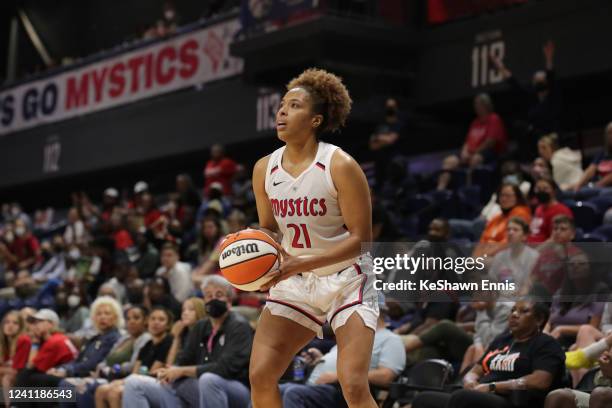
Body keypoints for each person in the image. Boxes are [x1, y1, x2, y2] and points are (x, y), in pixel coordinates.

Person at [249, 68, 379, 408]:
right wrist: (250, 248)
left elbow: (361, 240)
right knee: (260, 376)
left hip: (347, 278)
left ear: (316, 119)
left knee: (351, 383)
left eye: (294, 106)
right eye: (281, 105)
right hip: (296, 280)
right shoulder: (264, 168)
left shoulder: (340, 165)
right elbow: (268, 228)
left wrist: (298, 263)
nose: (281, 112)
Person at [123, 276, 253, 408]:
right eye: (208, 295)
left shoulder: (238, 326)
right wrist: (170, 372)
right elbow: (184, 359)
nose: (213, 299)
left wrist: (182, 371)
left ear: (229, 300)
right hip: (197, 386)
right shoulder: (201, 326)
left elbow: (226, 368)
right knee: (134, 382)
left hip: (235, 388)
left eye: (219, 295)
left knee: (207, 380)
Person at [412, 301, 565, 408]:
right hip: (481, 395)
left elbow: (540, 381)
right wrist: (470, 380)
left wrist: (492, 387)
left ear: (539, 319)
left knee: (464, 398)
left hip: (511, 400)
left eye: (523, 311)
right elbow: (477, 368)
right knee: (424, 399)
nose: (514, 315)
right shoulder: (502, 339)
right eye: (513, 310)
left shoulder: (546, 344)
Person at [280, 294, 406, 407]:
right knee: (276, 388)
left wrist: (337, 377)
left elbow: (386, 376)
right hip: (315, 386)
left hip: (341, 391)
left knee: (293, 393)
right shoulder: (354, 335)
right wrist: (320, 359)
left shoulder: (391, 339)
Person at [491, 40, 562, 141]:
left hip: (553, 137)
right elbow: (513, 83)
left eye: (541, 80)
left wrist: (549, 58)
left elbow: (551, 75)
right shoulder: (531, 97)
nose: (538, 83)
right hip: (537, 140)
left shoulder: (553, 96)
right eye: (536, 81)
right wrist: (500, 67)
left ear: (546, 82)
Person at [437, 93, 507, 190]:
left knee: (475, 159)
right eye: (475, 104)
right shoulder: (475, 122)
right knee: (449, 161)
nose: (476, 107)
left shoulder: (494, 118)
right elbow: (467, 142)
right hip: (470, 153)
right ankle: (440, 190)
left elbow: (490, 141)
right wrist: (464, 152)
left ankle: (468, 189)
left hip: (487, 153)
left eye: (478, 104)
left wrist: (474, 152)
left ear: (486, 105)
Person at [15, 309, 78, 388]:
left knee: (25, 376)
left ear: (51, 324)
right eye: (34, 322)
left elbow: (31, 366)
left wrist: (35, 343)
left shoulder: (54, 341)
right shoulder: (56, 337)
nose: (36, 325)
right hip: (65, 373)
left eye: (40, 321)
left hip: (68, 378)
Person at [473, 184, 531, 258]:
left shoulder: (521, 213)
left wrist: (484, 256)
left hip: (505, 256)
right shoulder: (497, 218)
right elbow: (482, 240)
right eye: (501, 195)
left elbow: (509, 242)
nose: (504, 199)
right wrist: (475, 257)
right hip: (485, 257)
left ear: (517, 198)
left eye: (508, 196)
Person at [488, 217, 539, 292]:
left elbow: (531, 286)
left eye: (515, 230)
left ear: (524, 236)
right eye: (508, 230)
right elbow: (491, 283)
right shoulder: (499, 257)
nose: (510, 233)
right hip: (501, 299)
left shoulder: (534, 257)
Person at [527, 177, 573, 243]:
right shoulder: (539, 208)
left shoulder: (561, 211)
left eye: (545, 188)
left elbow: (558, 239)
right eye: (538, 188)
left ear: (554, 191)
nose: (541, 191)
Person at [0, 311, 31, 407]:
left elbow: (16, 370)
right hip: (8, 373)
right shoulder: (3, 341)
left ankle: (10, 406)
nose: (10, 326)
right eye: (7, 322)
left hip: (24, 376)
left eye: (15, 323)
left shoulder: (23, 340)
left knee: (6, 378)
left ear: (21, 326)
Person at [572, 122, 612, 191]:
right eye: (609, 133)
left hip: (605, 189)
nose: (610, 136)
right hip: (595, 186)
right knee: (568, 193)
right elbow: (591, 169)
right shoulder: (603, 153)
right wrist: (578, 185)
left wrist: (594, 187)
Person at [165, 297, 206, 365]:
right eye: (183, 310)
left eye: (191, 309)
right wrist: (176, 338)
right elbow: (169, 364)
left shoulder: (203, 334)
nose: (185, 313)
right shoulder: (184, 333)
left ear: (200, 311)